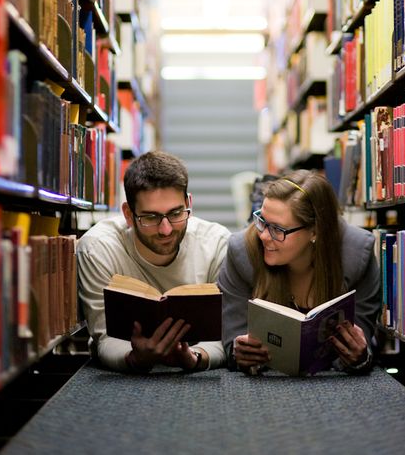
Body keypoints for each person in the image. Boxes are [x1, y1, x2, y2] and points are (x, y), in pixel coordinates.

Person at [77, 150, 230, 374]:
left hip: (198, 378)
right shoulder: (98, 248)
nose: (166, 229)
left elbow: (224, 337)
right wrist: (137, 358)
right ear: (128, 214)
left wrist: (193, 358)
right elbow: (104, 337)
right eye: (150, 217)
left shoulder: (216, 243)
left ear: (189, 203)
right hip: (123, 382)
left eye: (176, 213)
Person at [218, 170, 380, 374]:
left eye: (277, 229)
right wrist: (240, 354)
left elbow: (363, 344)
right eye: (262, 221)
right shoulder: (243, 254)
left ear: (315, 231)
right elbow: (233, 339)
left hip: (335, 389)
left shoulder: (357, 257)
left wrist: (358, 357)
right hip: (264, 389)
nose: (264, 236)